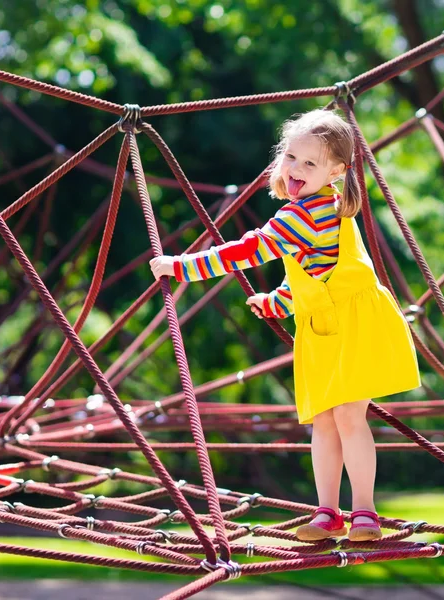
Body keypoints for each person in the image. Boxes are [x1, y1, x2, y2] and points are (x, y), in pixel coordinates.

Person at [150, 109, 421, 542]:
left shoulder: (308, 212)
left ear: (336, 171)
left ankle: (365, 513)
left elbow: (250, 250)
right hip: (325, 324)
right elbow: (315, 271)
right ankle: (328, 512)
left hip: (353, 323)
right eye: (291, 157)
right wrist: (278, 301)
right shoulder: (315, 208)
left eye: (310, 164)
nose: (296, 169)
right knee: (326, 422)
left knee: (350, 416)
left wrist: (180, 266)